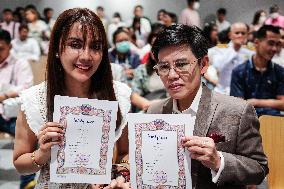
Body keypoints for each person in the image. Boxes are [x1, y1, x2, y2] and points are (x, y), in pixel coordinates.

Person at [13, 8, 132, 189]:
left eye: (95, 46)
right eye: (75, 44)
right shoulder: (34, 100)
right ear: (57, 49)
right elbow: (19, 163)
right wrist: (41, 154)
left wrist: (121, 175)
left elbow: (125, 152)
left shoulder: (117, 95)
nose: (86, 56)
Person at [147, 24, 268, 188]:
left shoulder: (237, 111)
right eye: (163, 67)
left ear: (203, 64)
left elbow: (259, 169)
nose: (172, 75)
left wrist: (218, 161)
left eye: (181, 64)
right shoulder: (154, 111)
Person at [0, 29, 35, 189]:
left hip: (13, 115)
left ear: (9, 46)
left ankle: (27, 182)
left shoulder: (20, 63)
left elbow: (26, 88)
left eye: (1, 48)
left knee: (31, 140)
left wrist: (5, 95)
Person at [231, 25, 284, 116]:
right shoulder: (239, 71)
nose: (275, 49)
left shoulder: (279, 71)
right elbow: (238, 106)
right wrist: (273, 103)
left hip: (275, 122)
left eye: (277, 44)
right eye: (271, 43)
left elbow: (282, 103)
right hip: (248, 123)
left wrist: (255, 102)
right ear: (256, 42)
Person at [212, 22, 255, 95]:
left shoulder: (250, 52)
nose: (240, 35)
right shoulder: (220, 49)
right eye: (237, 33)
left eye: (243, 33)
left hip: (243, 93)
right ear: (230, 35)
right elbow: (218, 66)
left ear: (247, 36)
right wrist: (234, 49)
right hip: (222, 91)